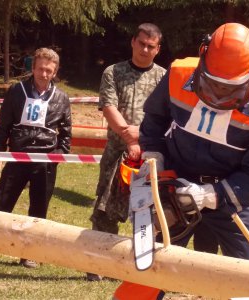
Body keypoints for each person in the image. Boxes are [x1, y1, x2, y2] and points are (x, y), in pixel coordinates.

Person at [113, 22, 249, 299]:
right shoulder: (179, 73)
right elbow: (155, 119)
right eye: (213, 83)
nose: (218, 94)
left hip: (230, 194)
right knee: (146, 265)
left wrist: (210, 196)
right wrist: (154, 157)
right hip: (176, 181)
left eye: (229, 88)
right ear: (203, 55)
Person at [0, 47, 72, 268]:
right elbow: (3, 127)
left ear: (55, 70)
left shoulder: (61, 97)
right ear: (33, 67)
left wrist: (59, 155)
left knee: (39, 209)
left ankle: (31, 253)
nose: (44, 74)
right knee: (0, 203)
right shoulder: (16, 91)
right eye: (41, 69)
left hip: (45, 161)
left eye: (49, 70)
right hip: (17, 156)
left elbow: (66, 134)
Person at [87, 23, 166, 281]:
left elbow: (168, 116)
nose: (144, 49)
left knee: (146, 214)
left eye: (150, 46)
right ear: (133, 41)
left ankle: (139, 267)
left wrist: (141, 139)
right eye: (141, 43)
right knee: (105, 210)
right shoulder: (113, 72)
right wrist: (128, 135)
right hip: (116, 153)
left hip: (149, 157)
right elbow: (109, 106)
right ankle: (98, 266)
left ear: (157, 49)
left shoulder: (165, 78)